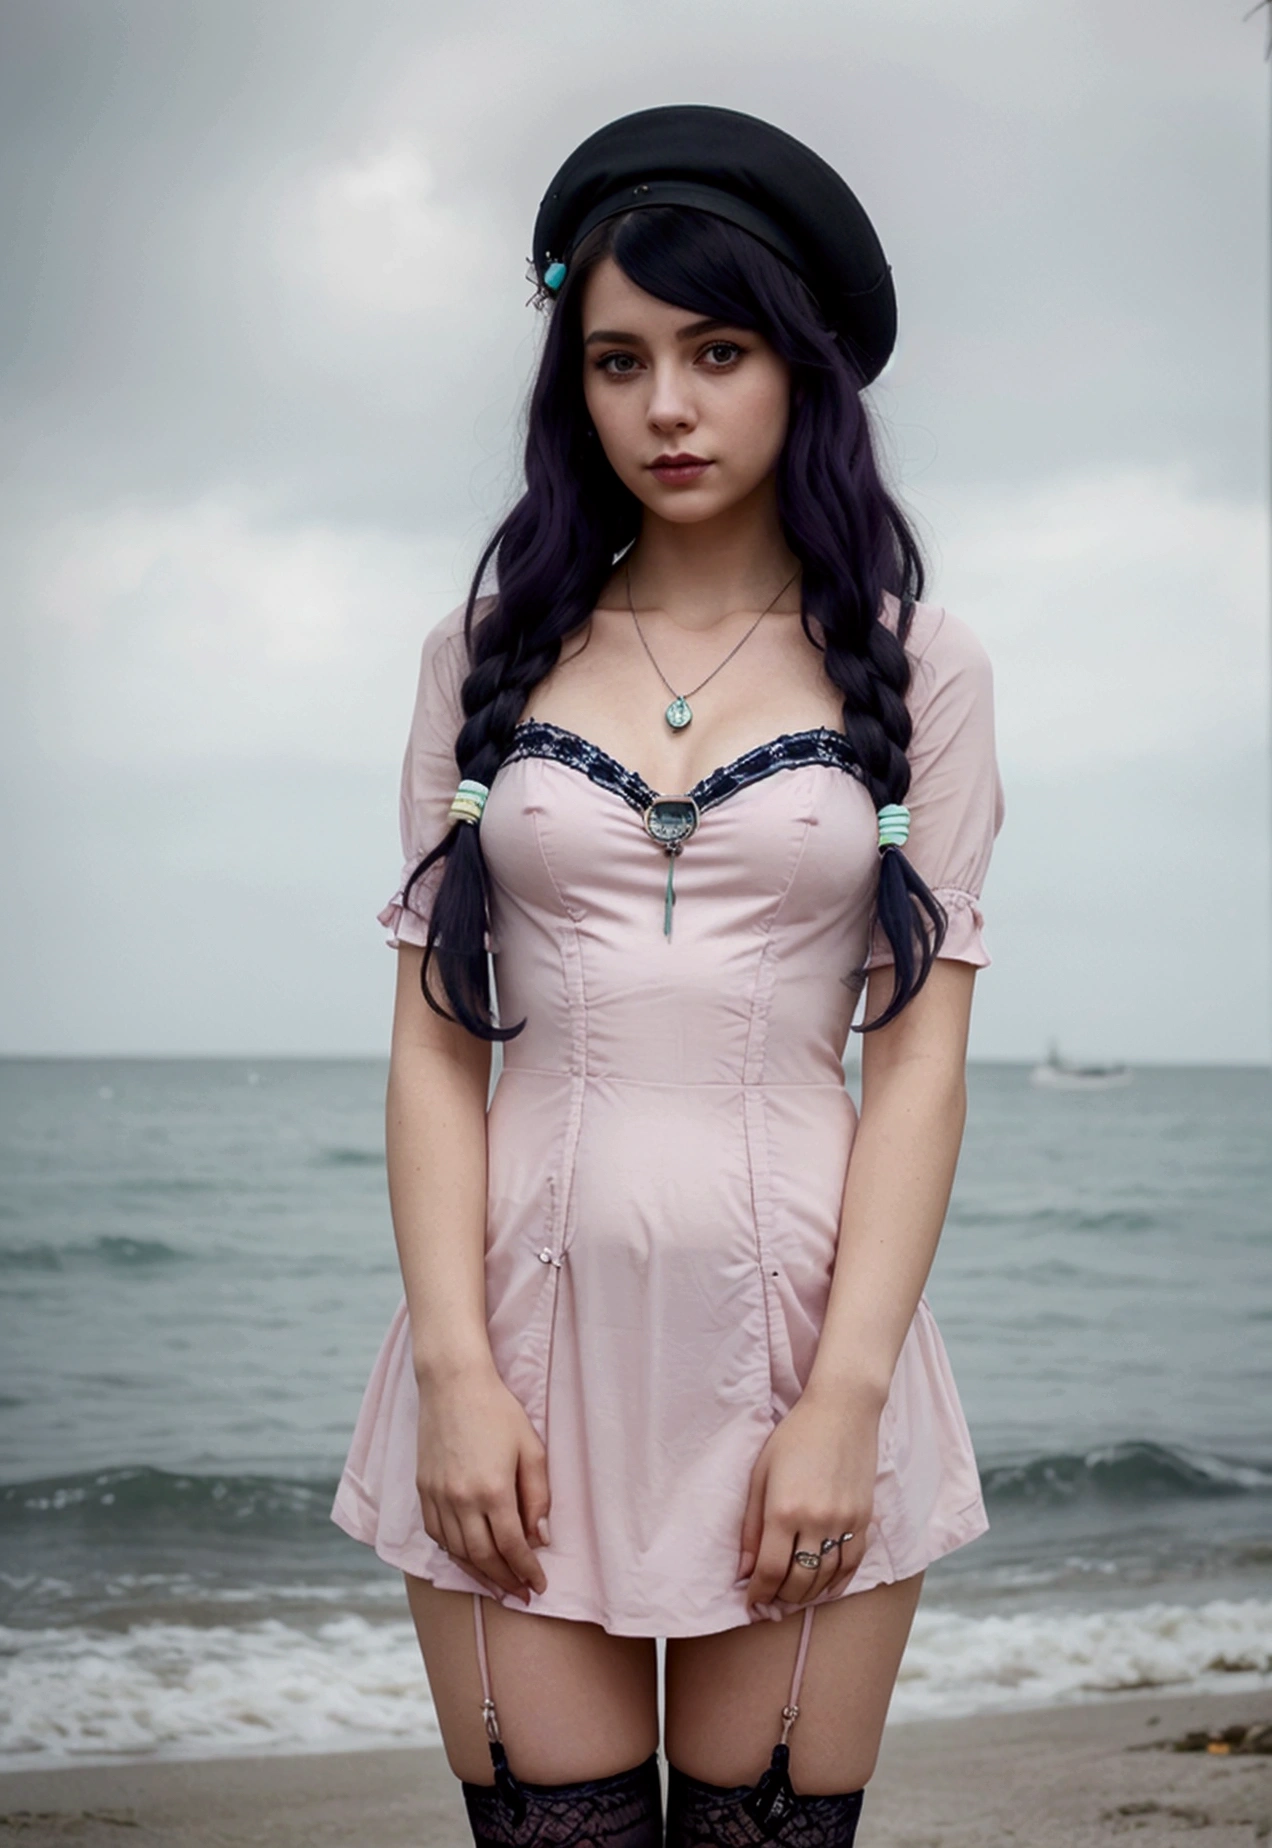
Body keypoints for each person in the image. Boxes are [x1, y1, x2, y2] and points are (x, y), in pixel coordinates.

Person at [332, 102, 1005, 1848]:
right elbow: (432, 1050)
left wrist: (846, 1398)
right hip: (514, 1352)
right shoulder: (482, 654)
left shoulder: (916, 665)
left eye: (716, 352)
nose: (667, 407)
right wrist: (458, 1376)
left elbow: (919, 1059)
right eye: (618, 361)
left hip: (802, 1348)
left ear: (806, 367)